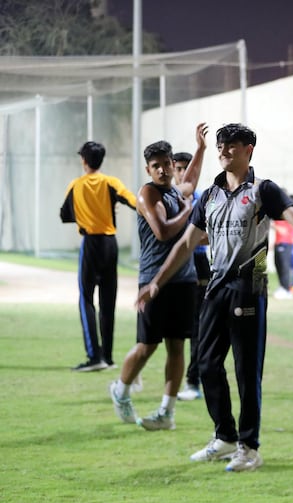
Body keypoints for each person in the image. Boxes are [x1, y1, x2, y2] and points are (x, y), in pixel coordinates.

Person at [135, 123, 293, 472]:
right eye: (220, 146)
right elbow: (186, 243)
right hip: (216, 286)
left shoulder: (264, 190)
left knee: (246, 371)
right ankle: (224, 437)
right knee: (206, 364)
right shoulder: (209, 195)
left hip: (249, 285)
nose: (223, 151)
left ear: (249, 149)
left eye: (231, 146)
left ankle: (249, 446)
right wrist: (157, 281)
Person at [109, 124, 207, 431]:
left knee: (177, 346)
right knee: (146, 346)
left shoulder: (175, 190)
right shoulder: (147, 194)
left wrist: (201, 149)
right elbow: (163, 231)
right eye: (157, 166)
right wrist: (189, 212)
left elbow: (188, 182)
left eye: (167, 164)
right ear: (148, 169)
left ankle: (167, 412)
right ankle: (121, 391)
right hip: (153, 280)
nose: (164, 170)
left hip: (184, 280)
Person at [60, 141, 137, 372]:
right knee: (107, 301)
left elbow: (64, 215)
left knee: (86, 299)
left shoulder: (76, 185)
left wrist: (85, 215)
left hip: (91, 244)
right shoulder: (111, 182)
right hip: (110, 244)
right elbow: (133, 202)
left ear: (84, 160)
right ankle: (108, 357)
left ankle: (94, 357)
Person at [173, 151, 209, 402]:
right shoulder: (165, 197)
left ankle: (193, 381)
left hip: (197, 262)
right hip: (172, 264)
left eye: (187, 168)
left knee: (197, 327)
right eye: (179, 169)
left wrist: (187, 238)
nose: (183, 173)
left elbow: (208, 234)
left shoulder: (200, 200)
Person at [271, 215, 293, 299]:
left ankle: (286, 289)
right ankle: (282, 287)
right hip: (278, 242)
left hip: (286, 242)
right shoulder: (277, 212)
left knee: (284, 266)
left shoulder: (289, 212)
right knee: (278, 264)